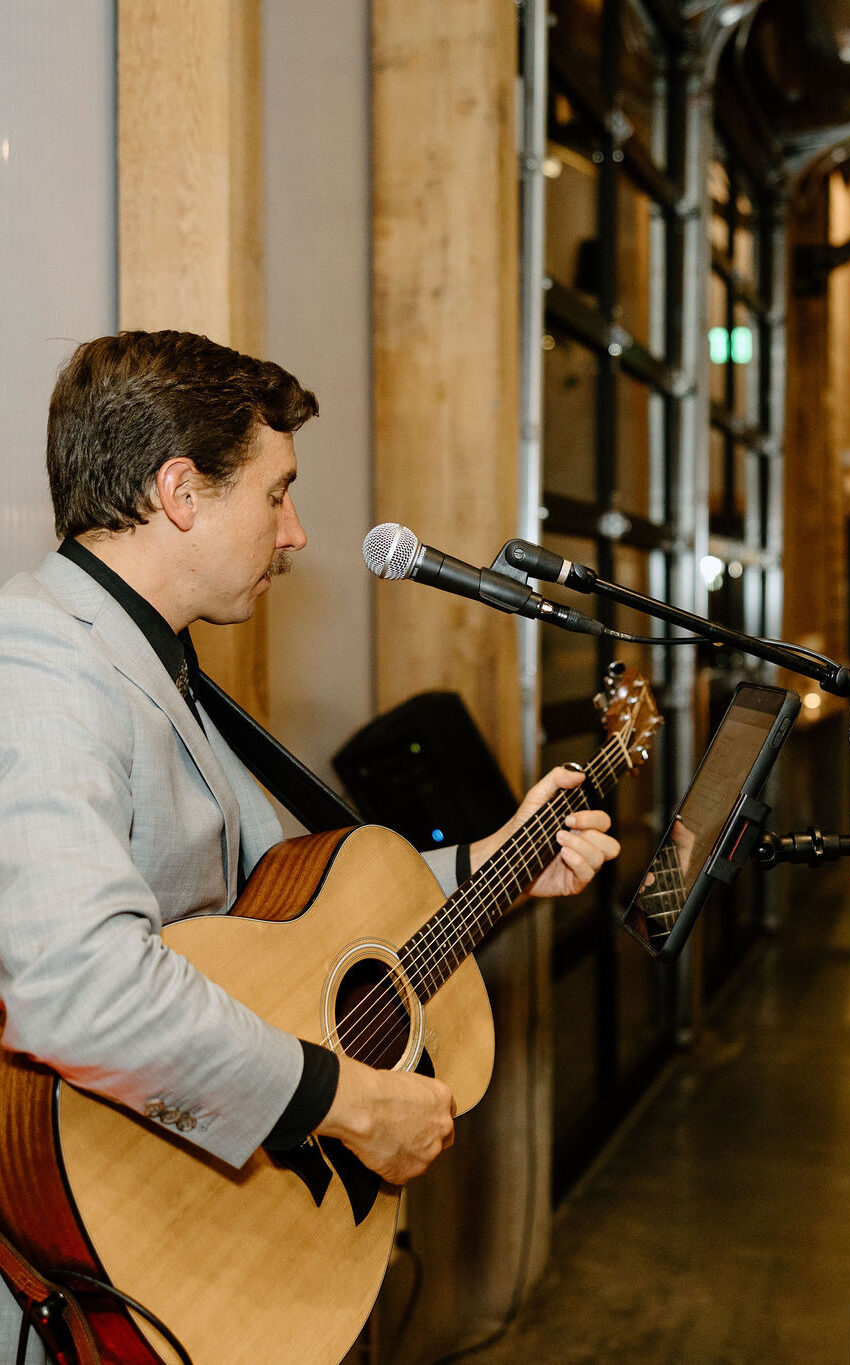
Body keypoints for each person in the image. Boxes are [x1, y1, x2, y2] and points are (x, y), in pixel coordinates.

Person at [0, 330, 620, 1360]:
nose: (295, 533)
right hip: (90, 1232)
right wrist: (347, 1101)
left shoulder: (156, 662)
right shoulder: (40, 668)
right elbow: (79, 988)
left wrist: (490, 865)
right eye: (277, 492)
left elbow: (287, 920)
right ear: (181, 492)